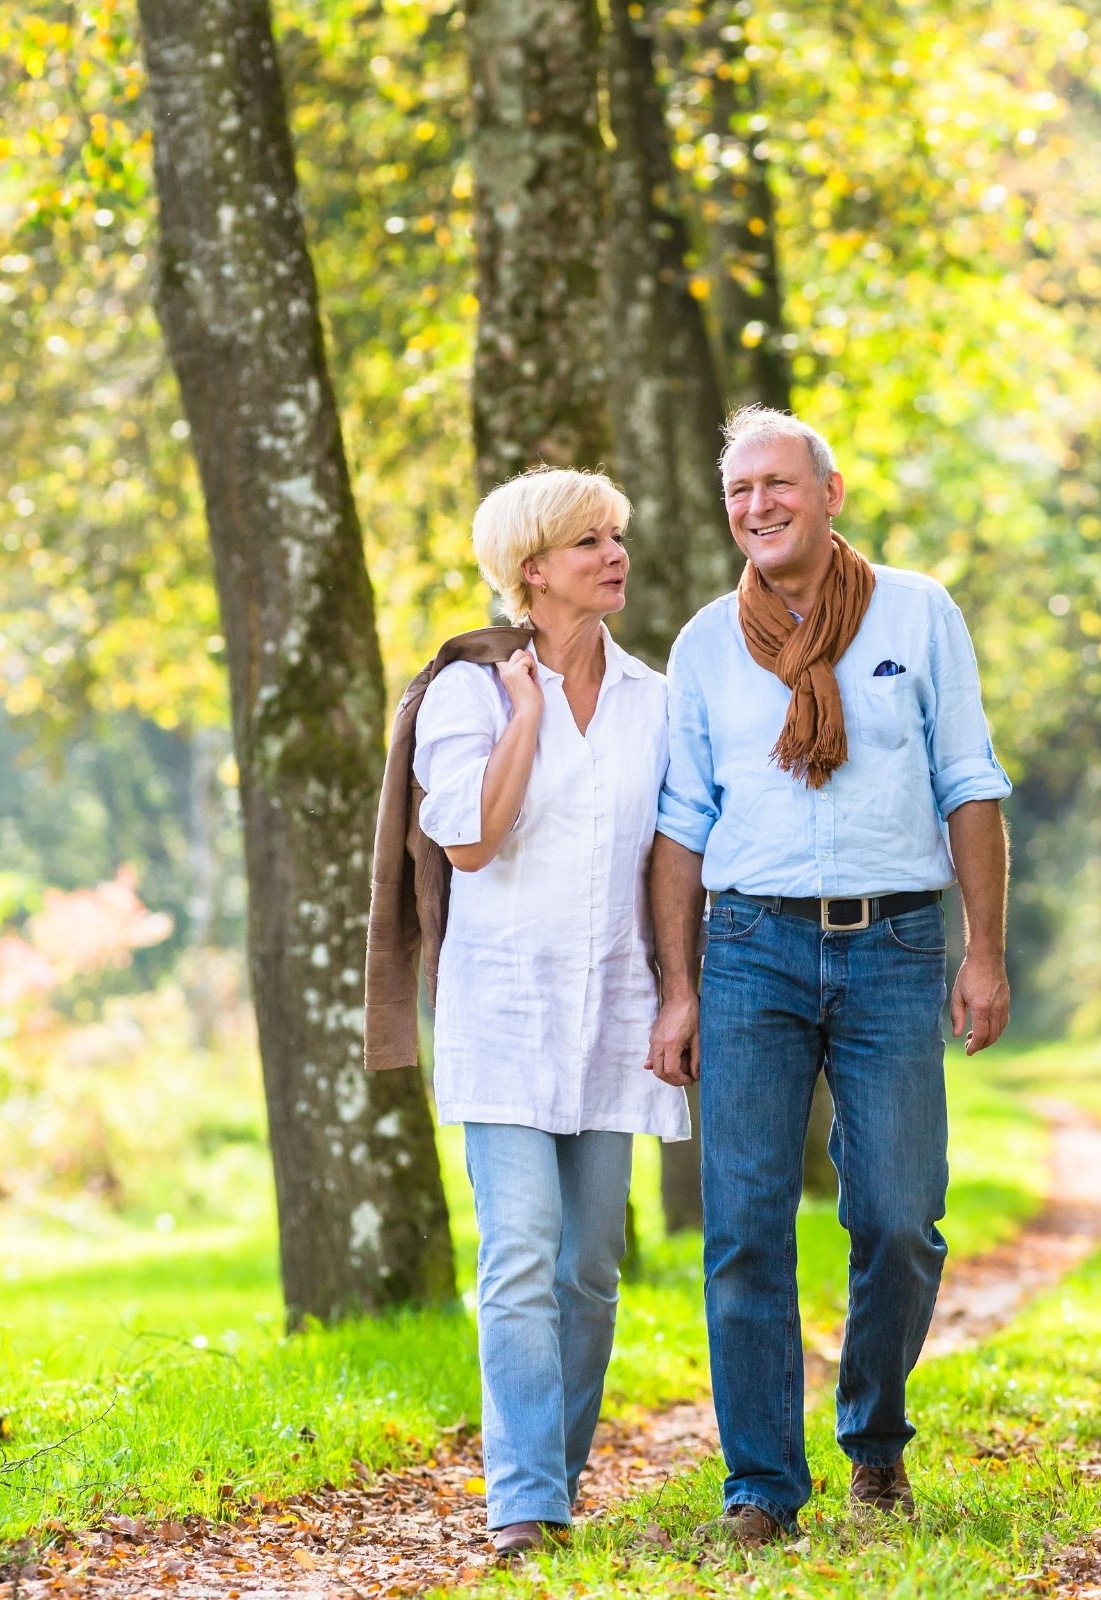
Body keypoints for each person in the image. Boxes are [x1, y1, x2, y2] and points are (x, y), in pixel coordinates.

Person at [645, 406, 1013, 1545]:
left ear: (829, 491)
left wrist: (983, 951)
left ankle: (874, 1434)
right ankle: (760, 1483)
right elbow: (679, 825)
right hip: (749, 945)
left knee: (899, 1216)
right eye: (738, 490)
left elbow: (968, 781)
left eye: (777, 483)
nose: (757, 505)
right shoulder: (706, 642)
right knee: (744, 1223)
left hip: (895, 942)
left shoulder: (917, 612)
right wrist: (677, 985)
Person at [412, 466, 690, 1561]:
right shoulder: (464, 693)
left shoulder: (654, 700)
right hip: (504, 1011)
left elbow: (674, 857)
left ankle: (554, 1473)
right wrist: (525, 715)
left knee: (589, 1270)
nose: (614, 554)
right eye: (589, 541)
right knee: (520, 1252)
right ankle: (524, 1502)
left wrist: (679, 991)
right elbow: (471, 839)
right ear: (531, 569)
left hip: (613, 1009)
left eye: (616, 534)